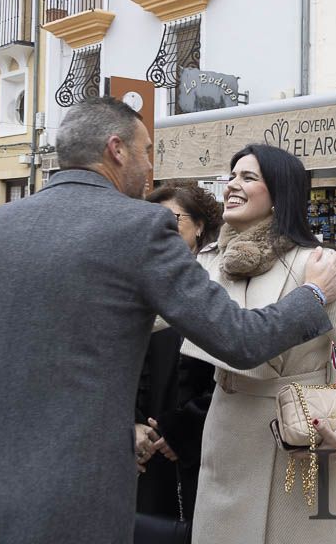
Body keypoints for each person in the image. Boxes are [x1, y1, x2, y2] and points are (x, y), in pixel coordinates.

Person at [0, 97, 336, 544]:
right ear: (116, 149)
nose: (150, 166)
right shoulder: (140, 228)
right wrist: (313, 294)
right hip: (66, 508)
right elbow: (240, 339)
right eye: (147, 151)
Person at [187, 144, 336, 544]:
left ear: (280, 194)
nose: (232, 185)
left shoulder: (314, 265)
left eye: (248, 177)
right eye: (231, 176)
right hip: (225, 433)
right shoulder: (210, 262)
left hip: (298, 443)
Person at [135, 181, 222, 531]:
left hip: (193, 443)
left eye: (173, 218)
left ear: (199, 226)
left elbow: (224, 376)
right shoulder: (135, 284)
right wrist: (133, 423)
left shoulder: (216, 286)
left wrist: (181, 431)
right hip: (140, 442)